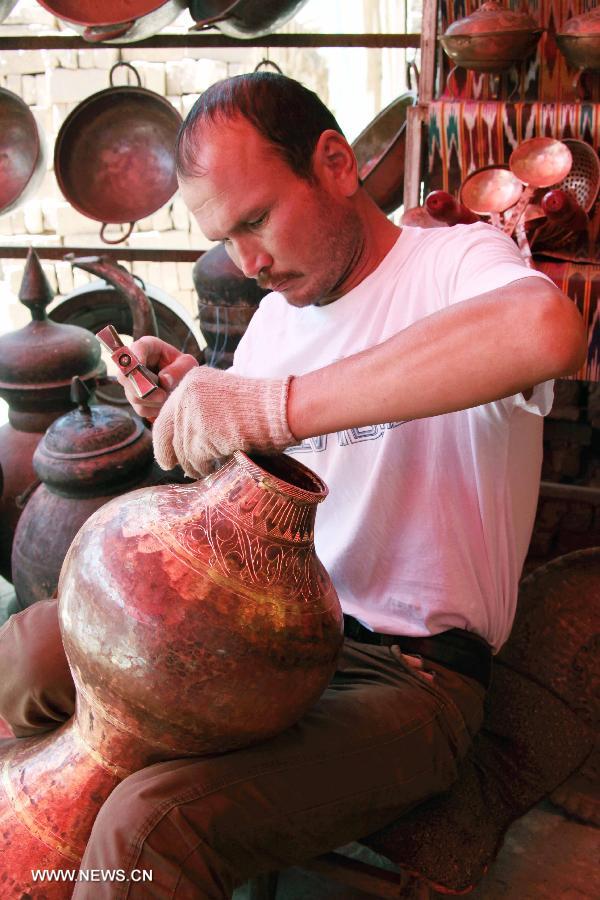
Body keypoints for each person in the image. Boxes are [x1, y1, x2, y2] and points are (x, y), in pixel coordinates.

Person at [0, 72, 585, 899]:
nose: (249, 261)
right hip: (262, 641)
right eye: (225, 238)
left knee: (152, 825)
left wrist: (269, 405)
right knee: (23, 654)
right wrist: (200, 407)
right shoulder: (276, 317)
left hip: (405, 676)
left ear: (337, 164)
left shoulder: (456, 261)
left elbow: (545, 332)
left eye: (256, 219)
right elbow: (261, 476)